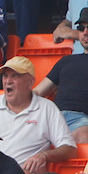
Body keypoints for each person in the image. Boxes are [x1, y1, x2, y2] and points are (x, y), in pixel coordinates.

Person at [0, 56, 75, 174]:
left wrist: (44, 156)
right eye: (5, 76)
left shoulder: (47, 108)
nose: (8, 81)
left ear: (31, 82)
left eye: (15, 76)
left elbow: (70, 149)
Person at [34, 10, 88, 145]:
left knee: (84, 135)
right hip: (53, 117)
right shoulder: (66, 61)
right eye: (81, 28)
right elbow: (39, 92)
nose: (85, 32)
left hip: (81, 121)